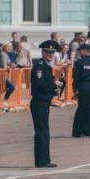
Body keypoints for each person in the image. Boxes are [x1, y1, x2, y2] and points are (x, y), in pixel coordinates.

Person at [30, 40, 63, 168]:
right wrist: (54, 84)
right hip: (39, 102)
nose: (50, 54)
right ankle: (41, 161)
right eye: (48, 52)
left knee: (45, 131)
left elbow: (47, 85)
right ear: (43, 52)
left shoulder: (47, 66)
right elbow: (40, 84)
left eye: (52, 52)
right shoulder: (39, 66)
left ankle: (45, 159)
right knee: (42, 132)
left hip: (45, 101)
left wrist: (56, 88)